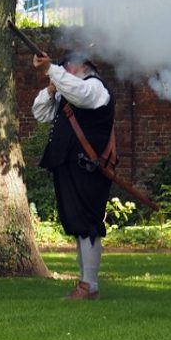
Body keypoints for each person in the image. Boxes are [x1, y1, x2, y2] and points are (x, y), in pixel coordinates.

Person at [31, 51, 114, 301]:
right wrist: (51, 88)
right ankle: (86, 283)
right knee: (78, 224)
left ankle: (89, 285)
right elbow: (40, 113)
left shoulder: (95, 88)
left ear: (78, 67)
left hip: (87, 168)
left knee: (87, 224)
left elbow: (81, 94)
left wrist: (52, 71)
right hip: (70, 166)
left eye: (65, 69)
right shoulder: (69, 91)